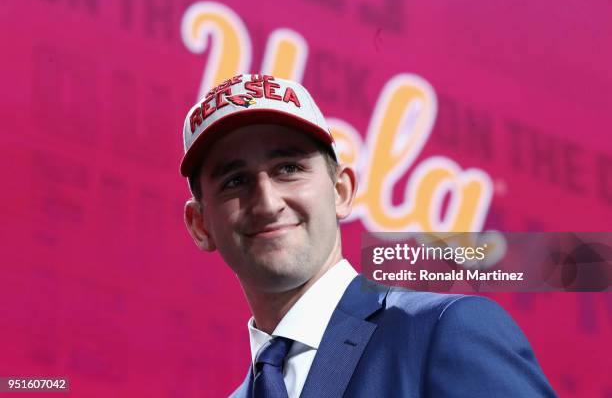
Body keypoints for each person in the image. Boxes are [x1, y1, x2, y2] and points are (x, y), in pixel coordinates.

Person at [181, 74, 557, 397]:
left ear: (341, 191)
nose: (266, 202)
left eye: (288, 168)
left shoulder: (444, 330)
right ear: (201, 226)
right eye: (235, 181)